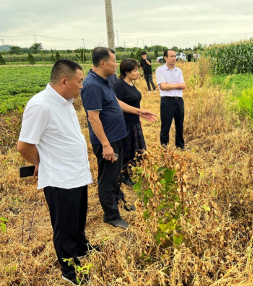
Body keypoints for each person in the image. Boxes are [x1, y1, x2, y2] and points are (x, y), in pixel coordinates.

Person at [17, 59, 96, 285]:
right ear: (64, 81)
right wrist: (40, 164)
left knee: (78, 218)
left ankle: (82, 247)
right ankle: (69, 269)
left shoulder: (66, 100)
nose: (82, 86)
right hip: (60, 177)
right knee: (65, 225)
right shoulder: (41, 105)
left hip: (76, 173)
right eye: (79, 81)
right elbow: (24, 146)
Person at [81, 47, 157, 229]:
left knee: (116, 175)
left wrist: (139, 111)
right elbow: (93, 118)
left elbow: (115, 102)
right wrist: (106, 145)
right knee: (107, 179)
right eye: (114, 61)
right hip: (108, 141)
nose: (116, 64)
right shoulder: (91, 85)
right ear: (103, 63)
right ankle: (111, 215)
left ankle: (117, 204)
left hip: (118, 137)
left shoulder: (105, 81)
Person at [113, 59, 153, 186]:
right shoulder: (119, 85)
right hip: (125, 123)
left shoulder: (131, 84)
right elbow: (117, 105)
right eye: (135, 70)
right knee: (126, 150)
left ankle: (134, 170)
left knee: (136, 149)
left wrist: (138, 116)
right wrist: (139, 112)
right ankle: (123, 175)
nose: (138, 73)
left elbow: (133, 102)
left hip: (134, 122)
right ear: (126, 72)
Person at [156, 49, 186, 149]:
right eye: (171, 56)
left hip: (179, 100)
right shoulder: (160, 70)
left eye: (175, 56)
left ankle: (180, 146)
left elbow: (183, 85)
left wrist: (170, 85)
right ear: (165, 58)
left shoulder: (179, 70)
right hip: (167, 101)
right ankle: (164, 147)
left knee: (179, 125)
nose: (174, 58)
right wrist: (177, 85)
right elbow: (163, 87)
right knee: (165, 125)